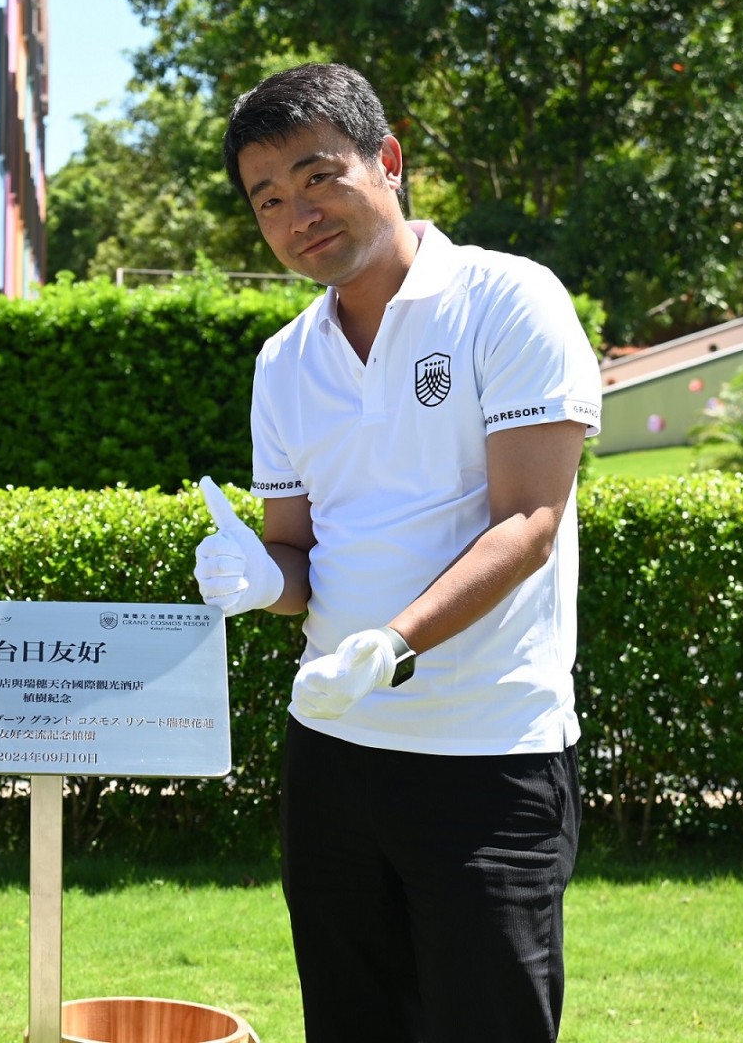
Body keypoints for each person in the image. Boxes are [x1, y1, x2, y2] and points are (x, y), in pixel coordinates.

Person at [192, 63, 601, 1042]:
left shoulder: (507, 299)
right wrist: (261, 579)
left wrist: (391, 642)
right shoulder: (283, 360)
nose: (299, 214)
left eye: (318, 176)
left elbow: (527, 522)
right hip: (331, 756)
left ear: (388, 160)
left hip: (486, 754)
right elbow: (296, 556)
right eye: (269, 200)